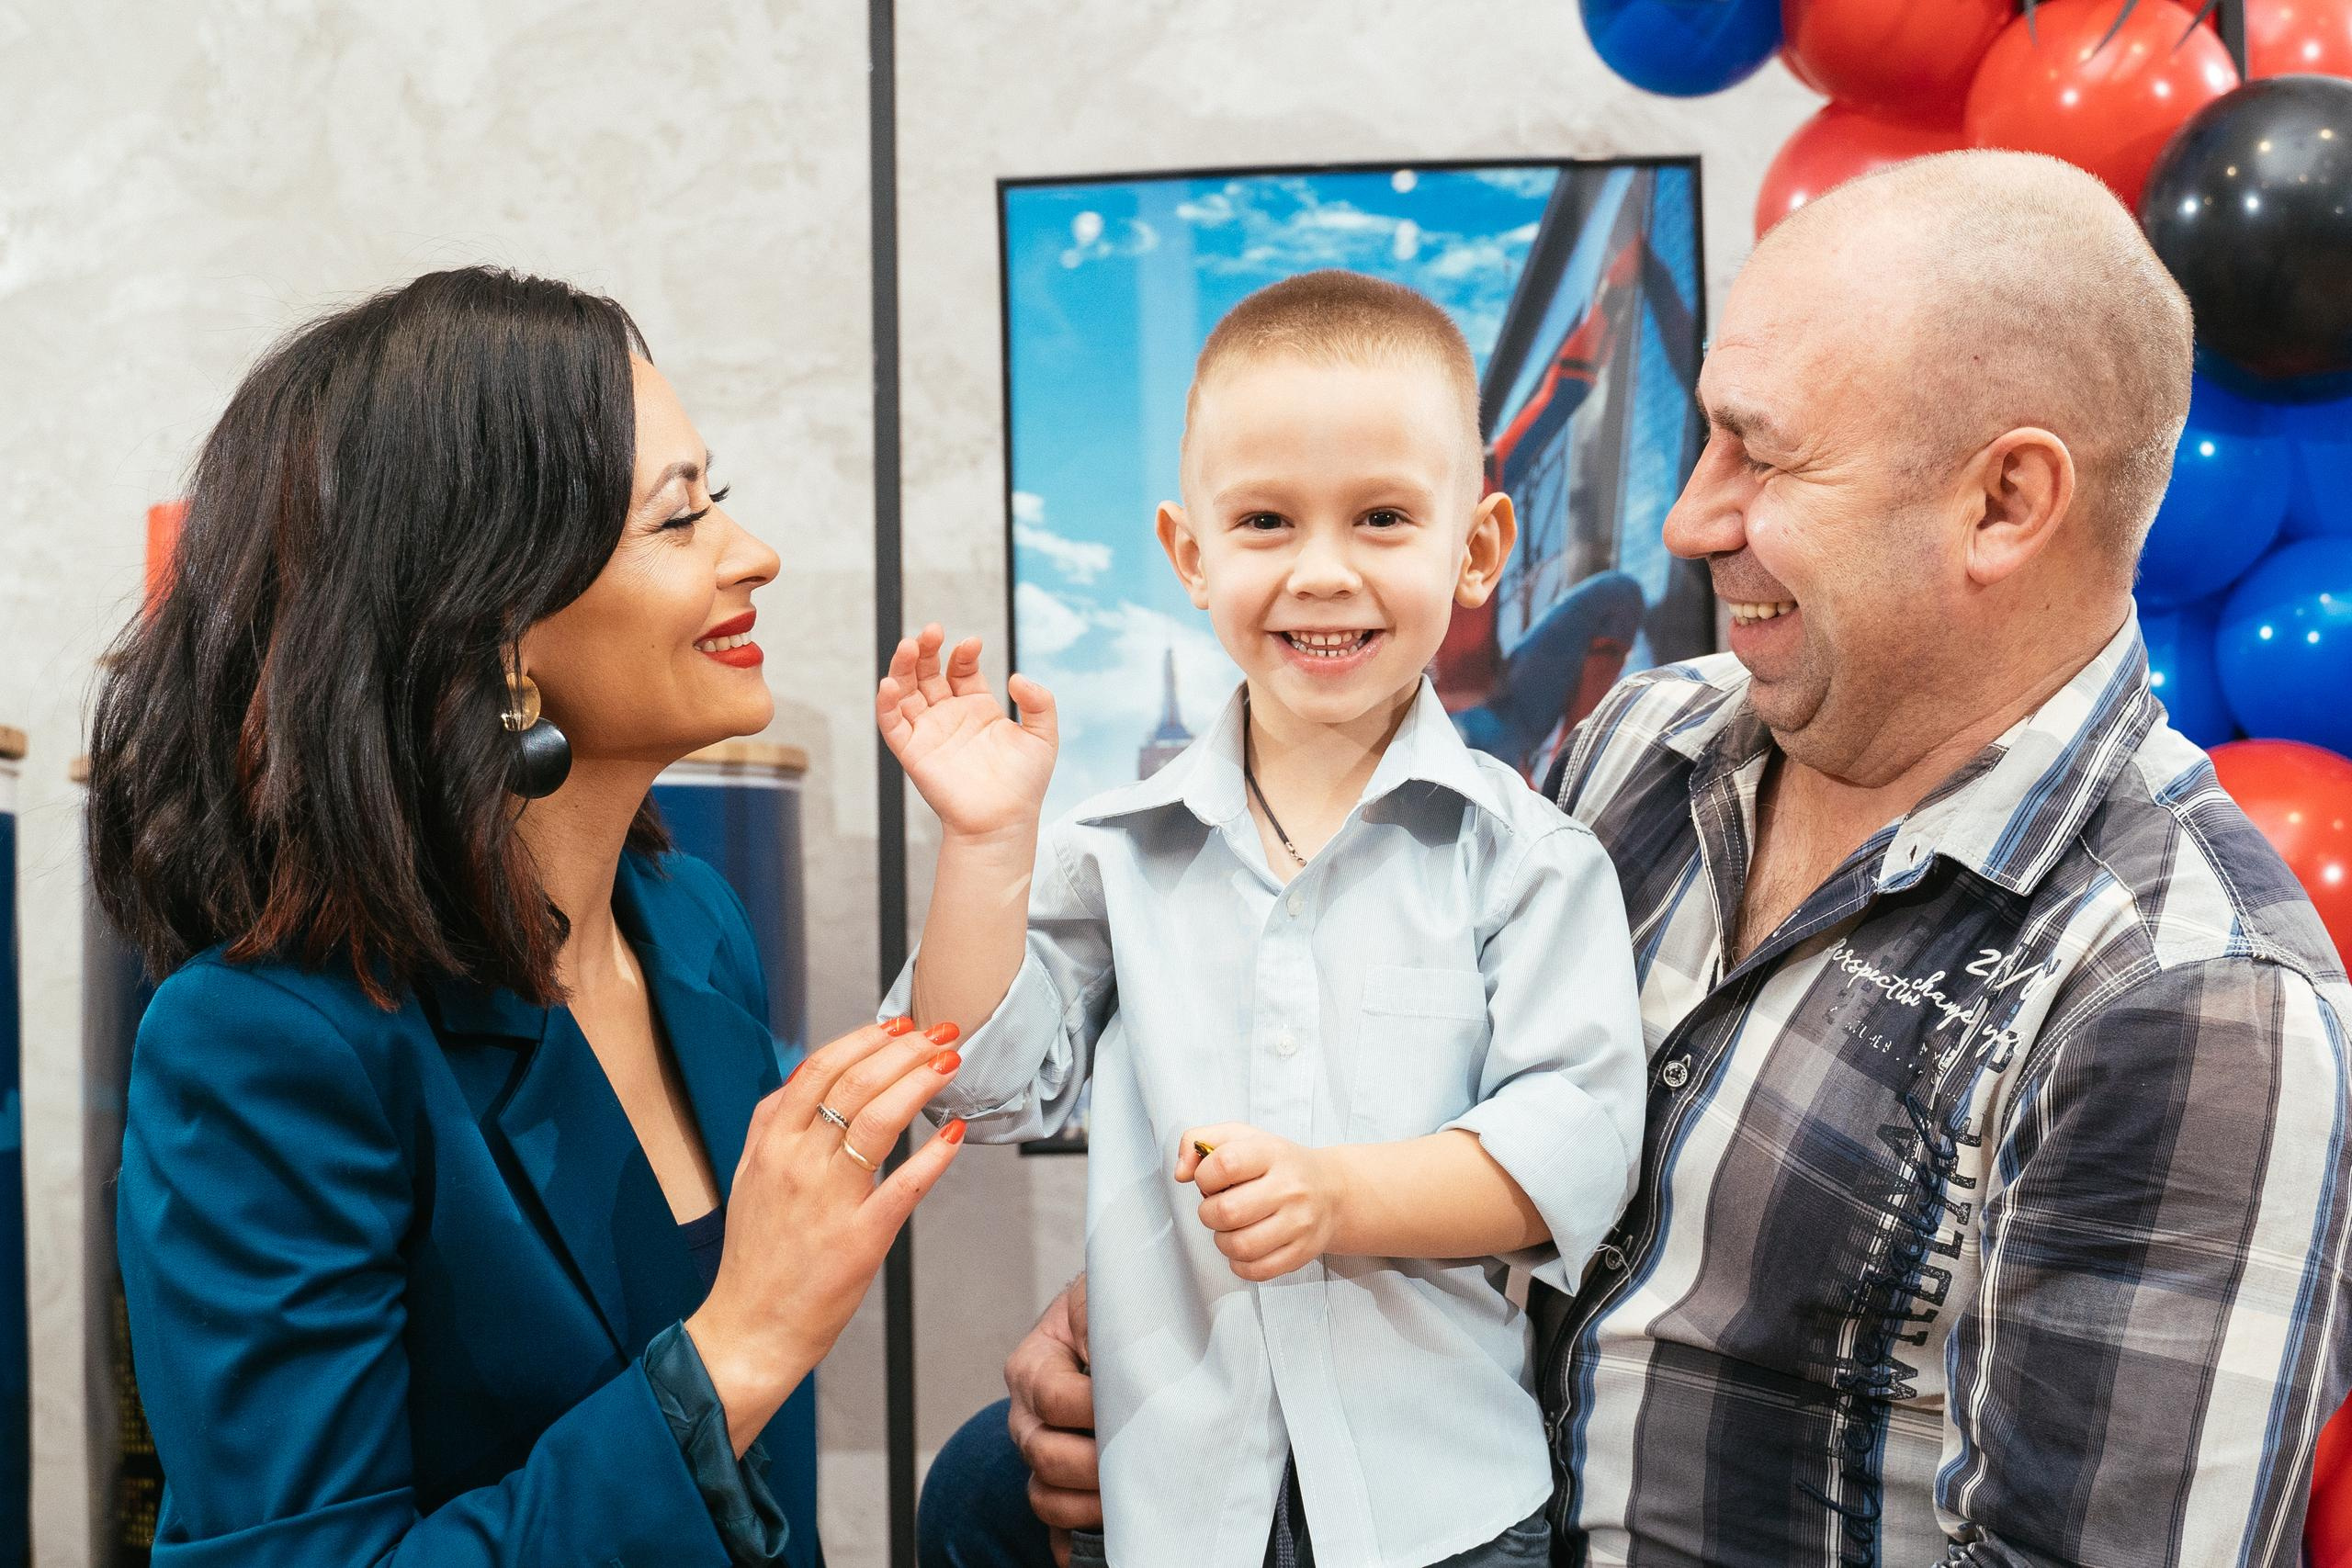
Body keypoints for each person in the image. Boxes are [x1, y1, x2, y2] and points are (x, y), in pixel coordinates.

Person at [922, 151, 2352, 1567]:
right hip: (1420, 1494)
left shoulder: (2190, 995)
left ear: (2004, 504)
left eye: (1761, 453)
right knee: (985, 1482)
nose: (1687, 520)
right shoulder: (1653, 741)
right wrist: (1186, 1333)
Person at [86, 267, 970, 1568]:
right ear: (496, 616)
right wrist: (736, 1351)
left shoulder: (693, 927)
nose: (753, 553)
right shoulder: (264, 1050)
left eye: (712, 498)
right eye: (679, 522)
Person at [876, 272, 1646, 1568]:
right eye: (1269, 520)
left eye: (1385, 517)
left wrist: (1339, 1194)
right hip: (1178, 1509)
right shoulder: (1118, 853)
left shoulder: (1525, 857)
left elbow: (1570, 1149)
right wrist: (986, 847)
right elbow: (974, 1083)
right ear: (1191, 554)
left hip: (1443, 1513)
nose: (1324, 571)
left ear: (1478, 548)